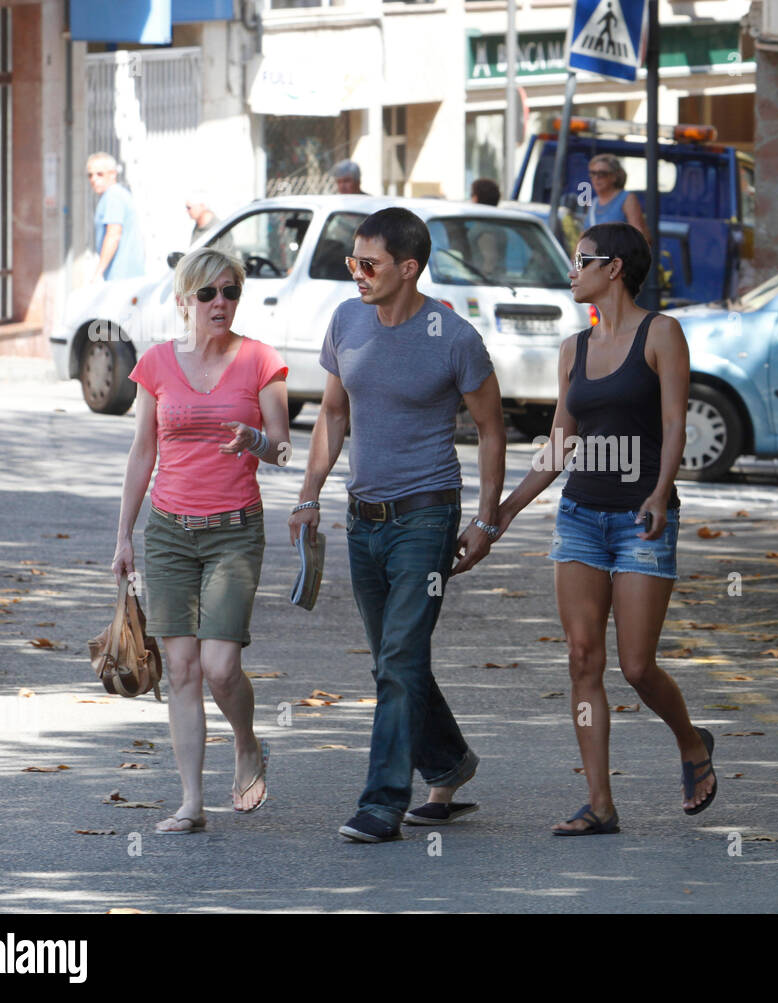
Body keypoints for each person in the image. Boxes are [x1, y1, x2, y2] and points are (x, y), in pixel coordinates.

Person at [288, 207, 507, 844]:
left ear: (408, 268)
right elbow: (332, 413)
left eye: (369, 264)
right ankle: (448, 763)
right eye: (352, 261)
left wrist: (486, 520)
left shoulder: (454, 336)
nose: (356, 273)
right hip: (365, 520)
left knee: (399, 658)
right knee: (394, 661)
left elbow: (492, 429)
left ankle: (383, 802)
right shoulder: (347, 320)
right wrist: (309, 496)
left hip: (426, 517)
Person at [492, 221, 716, 834]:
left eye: (582, 259)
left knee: (637, 666)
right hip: (580, 517)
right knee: (582, 659)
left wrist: (661, 494)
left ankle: (692, 742)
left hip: (641, 518)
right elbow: (561, 439)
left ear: (614, 268)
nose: (573, 270)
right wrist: (506, 511)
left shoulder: (662, 334)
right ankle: (600, 803)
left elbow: (676, 424)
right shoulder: (575, 348)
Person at [112, 246, 291, 834]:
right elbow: (144, 451)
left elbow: (283, 446)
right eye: (209, 293)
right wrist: (124, 537)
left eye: (231, 291)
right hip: (168, 531)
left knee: (219, 667)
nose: (222, 303)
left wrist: (256, 440)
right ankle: (192, 801)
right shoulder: (157, 363)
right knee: (182, 669)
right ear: (186, 298)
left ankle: (246, 743)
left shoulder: (261, 360)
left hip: (234, 530)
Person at [87, 152, 145, 282]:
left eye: (99, 174)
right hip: (125, 274)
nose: (93, 179)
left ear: (112, 174)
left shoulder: (113, 196)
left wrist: (98, 272)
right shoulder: (116, 195)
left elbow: (113, 235)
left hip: (121, 275)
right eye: (90, 175)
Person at [585, 154, 651, 245]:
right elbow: (583, 239)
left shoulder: (627, 198)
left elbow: (640, 237)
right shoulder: (594, 203)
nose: (596, 178)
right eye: (593, 173)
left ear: (614, 177)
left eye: (602, 174)